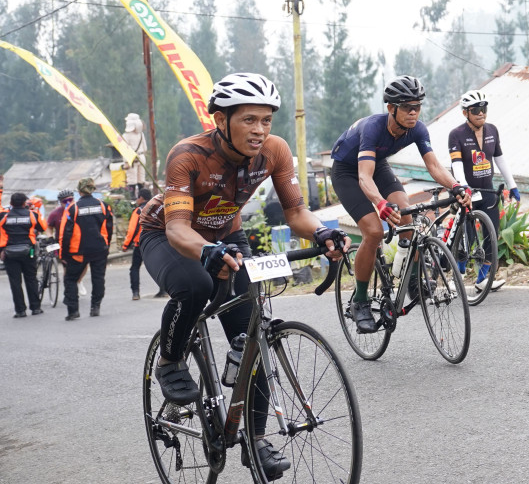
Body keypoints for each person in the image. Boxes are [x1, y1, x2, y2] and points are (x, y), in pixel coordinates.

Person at [137, 72, 349, 481]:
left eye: (266, 120)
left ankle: (257, 439)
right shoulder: (188, 154)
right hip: (167, 234)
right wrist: (207, 251)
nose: (259, 129)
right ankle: (171, 359)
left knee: (253, 334)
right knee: (196, 286)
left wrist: (322, 232)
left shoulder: (275, 151)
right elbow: (178, 228)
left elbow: (295, 213)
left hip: (227, 233)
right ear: (221, 119)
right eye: (249, 119)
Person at [329, 75, 470, 334]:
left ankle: (411, 277)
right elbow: (364, 177)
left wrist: (456, 186)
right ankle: (360, 301)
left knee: (408, 214)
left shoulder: (418, 129)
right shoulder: (373, 128)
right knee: (373, 231)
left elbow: (434, 166)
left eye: (417, 106)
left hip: (377, 165)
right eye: (407, 107)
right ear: (391, 108)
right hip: (347, 172)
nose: (413, 112)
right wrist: (380, 203)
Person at [448, 90, 520, 286]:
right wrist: (463, 187)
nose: (481, 113)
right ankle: (458, 276)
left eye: (484, 109)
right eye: (475, 110)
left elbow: (499, 158)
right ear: (465, 113)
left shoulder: (492, 130)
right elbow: (456, 164)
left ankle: (483, 279)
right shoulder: (456, 135)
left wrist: (512, 185)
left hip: (487, 191)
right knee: (467, 236)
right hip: (467, 192)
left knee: (492, 235)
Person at [57, 177, 114, 320]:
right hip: (100, 249)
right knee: (98, 278)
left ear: (79, 191)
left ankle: (73, 311)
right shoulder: (103, 206)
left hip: (78, 252)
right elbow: (109, 228)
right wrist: (106, 245)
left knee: (70, 279)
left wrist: (63, 255)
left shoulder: (73, 208)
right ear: (93, 189)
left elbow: (65, 234)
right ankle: (95, 307)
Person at [1, 191, 46, 317]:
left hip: (9, 252)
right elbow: (43, 227)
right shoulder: (32, 214)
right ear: (24, 203)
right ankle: (35, 308)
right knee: (31, 279)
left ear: (11, 203)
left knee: (15, 282)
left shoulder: (4, 215)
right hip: (28, 251)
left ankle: (20, 310)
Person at [122, 190, 161, 300]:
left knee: (135, 268)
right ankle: (163, 290)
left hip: (140, 245)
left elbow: (132, 230)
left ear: (141, 198)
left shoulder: (138, 211)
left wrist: (125, 246)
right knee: (159, 267)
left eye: (137, 198)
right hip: (155, 243)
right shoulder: (157, 208)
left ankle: (135, 293)